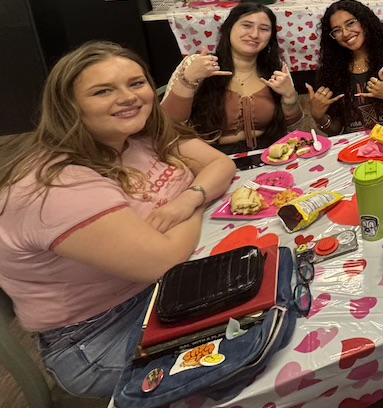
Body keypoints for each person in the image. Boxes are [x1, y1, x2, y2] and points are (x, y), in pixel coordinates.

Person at [0, 41, 236, 398]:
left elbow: (221, 165)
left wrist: (186, 200)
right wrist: (195, 201)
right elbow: (163, 260)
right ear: (69, 106)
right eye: (103, 91)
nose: (128, 97)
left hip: (158, 290)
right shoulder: (56, 184)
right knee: (245, 346)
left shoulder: (137, 136)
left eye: (136, 83)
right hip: (98, 337)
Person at [162, 3, 304, 153]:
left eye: (264, 29)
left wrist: (289, 97)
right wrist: (188, 80)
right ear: (229, 28)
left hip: (270, 153)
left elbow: (294, 127)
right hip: (211, 156)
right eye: (247, 25)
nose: (255, 34)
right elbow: (166, 125)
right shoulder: (198, 65)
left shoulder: (276, 68)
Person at [308, 0, 383, 135]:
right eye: (337, 30)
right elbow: (337, 131)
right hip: (357, 149)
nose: (346, 33)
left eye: (351, 23)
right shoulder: (330, 70)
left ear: (365, 21)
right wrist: (319, 117)